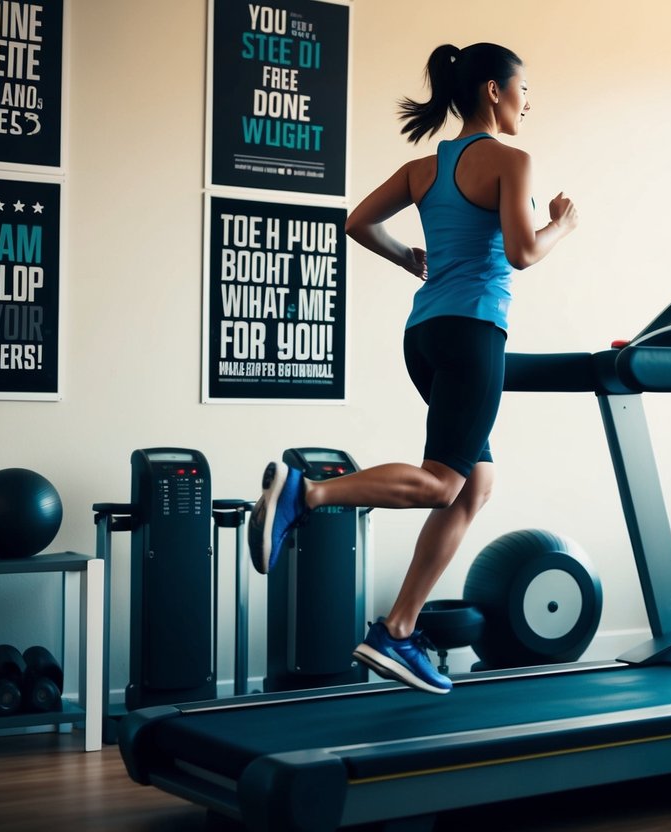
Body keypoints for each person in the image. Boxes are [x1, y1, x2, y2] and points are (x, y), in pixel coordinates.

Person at [247, 42, 579, 695]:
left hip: (424, 335)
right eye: (523, 89)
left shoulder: (421, 169)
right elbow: (521, 253)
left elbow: (357, 223)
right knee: (438, 483)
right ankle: (305, 494)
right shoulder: (513, 160)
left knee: (471, 486)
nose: (528, 102)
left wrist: (407, 259)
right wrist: (563, 224)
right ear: (493, 90)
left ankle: (397, 630)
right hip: (473, 333)